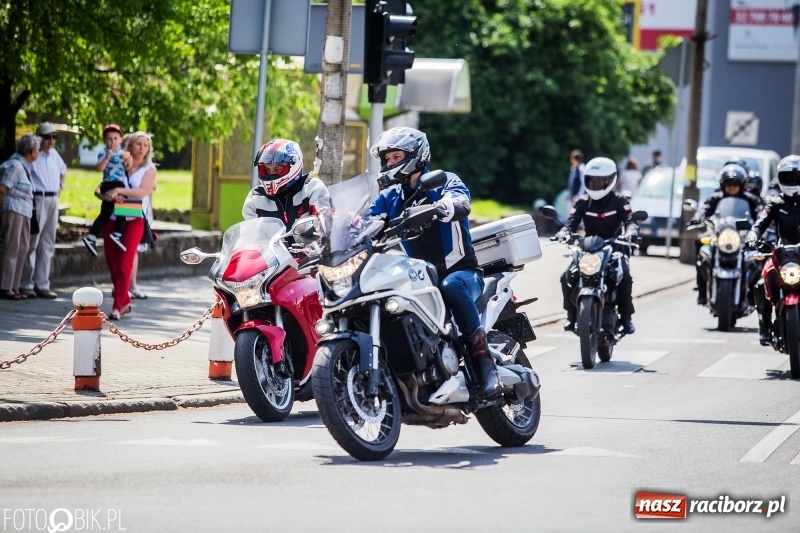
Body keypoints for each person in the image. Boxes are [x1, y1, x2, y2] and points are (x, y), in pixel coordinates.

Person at [365, 126, 499, 398]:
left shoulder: (443, 181)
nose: (390, 164)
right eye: (387, 159)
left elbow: (461, 200)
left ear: (415, 155)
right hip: (422, 278)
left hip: (463, 272)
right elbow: (365, 221)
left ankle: (483, 360)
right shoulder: (390, 198)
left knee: (451, 286)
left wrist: (445, 207)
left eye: (395, 157)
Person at [555, 156, 639, 335]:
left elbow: (630, 221)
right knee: (565, 276)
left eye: (601, 180)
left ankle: (626, 317)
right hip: (589, 247)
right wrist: (564, 232)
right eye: (592, 180)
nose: (596, 184)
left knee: (625, 277)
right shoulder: (582, 202)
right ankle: (571, 314)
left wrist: (631, 232)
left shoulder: (620, 201)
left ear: (610, 180)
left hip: (615, 247)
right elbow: (571, 222)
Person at [99, 131, 156, 320]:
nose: (142, 148)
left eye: (145, 145)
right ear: (130, 146)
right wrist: (104, 194)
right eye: (138, 144)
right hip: (113, 217)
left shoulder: (149, 169)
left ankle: (116, 308)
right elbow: (103, 185)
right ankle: (124, 302)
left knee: (125, 264)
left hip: (134, 218)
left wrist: (118, 190)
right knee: (112, 263)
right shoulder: (119, 162)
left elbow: (142, 192)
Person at [689, 163, 762, 305]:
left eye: (735, 184)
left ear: (741, 185)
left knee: (758, 257)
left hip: (742, 236)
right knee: (701, 245)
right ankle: (702, 290)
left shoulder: (751, 199)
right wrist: (698, 217)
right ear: (723, 185)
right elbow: (704, 209)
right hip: (720, 235)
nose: (732, 187)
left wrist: (760, 220)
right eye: (728, 184)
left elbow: (761, 211)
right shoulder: (715, 198)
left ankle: (754, 295)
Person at [746, 155, 800, 345]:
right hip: (781, 254)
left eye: (797, 177)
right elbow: (760, 223)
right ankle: (765, 324)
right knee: (761, 283)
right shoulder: (775, 203)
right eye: (788, 177)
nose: (793, 182)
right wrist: (752, 237)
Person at [19, 123, 66, 299]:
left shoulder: (54, 154)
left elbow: (63, 170)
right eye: (48, 137)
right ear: (39, 137)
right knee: (33, 240)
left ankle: (42, 283)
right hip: (38, 198)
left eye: (54, 137)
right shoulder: (33, 154)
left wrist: (60, 187)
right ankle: (26, 283)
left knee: (48, 242)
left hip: (53, 198)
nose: (51, 140)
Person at [242, 138, 330, 226]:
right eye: (267, 169)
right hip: (271, 240)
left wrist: (316, 229)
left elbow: (323, 222)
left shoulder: (312, 187)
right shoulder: (255, 197)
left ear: (294, 164)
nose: (271, 173)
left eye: (277, 169)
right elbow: (249, 234)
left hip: (307, 240)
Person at [0, 135, 40, 300]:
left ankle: (14, 287)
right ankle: (5, 287)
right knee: (11, 248)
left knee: (22, 248)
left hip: (24, 213)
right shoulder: (15, 165)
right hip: (13, 211)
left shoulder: (25, 167)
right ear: (31, 151)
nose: (38, 152)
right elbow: (2, 190)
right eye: (37, 149)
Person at [83, 124, 128, 257]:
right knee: (122, 209)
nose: (112, 141)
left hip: (119, 184)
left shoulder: (123, 153)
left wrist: (128, 161)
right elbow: (99, 168)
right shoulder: (103, 152)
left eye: (115, 138)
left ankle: (92, 237)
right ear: (104, 141)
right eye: (109, 139)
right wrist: (107, 158)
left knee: (107, 212)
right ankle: (116, 234)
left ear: (121, 140)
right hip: (109, 184)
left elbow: (128, 167)